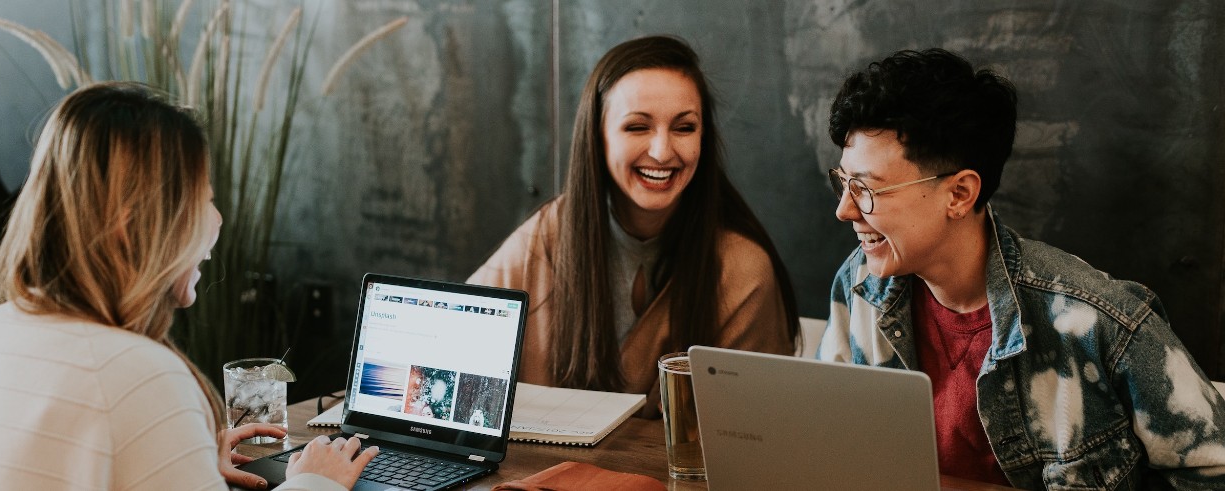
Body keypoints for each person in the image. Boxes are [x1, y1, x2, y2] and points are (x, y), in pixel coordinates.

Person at [818, 48, 1225, 488]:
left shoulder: (1099, 323)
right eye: (843, 182)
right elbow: (831, 439)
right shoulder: (859, 284)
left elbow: (1213, 473)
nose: (844, 210)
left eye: (865, 188)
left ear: (959, 194)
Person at [0, 82, 378, 490]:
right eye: (203, 201)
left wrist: (178, 452)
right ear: (134, 226)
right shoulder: (139, 375)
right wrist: (315, 481)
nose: (218, 220)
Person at [469, 35, 797, 418]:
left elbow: (756, 432)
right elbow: (455, 340)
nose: (662, 151)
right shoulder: (547, 235)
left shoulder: (742, 270)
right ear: (598, 137)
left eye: (684, 128)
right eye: (637, 127)